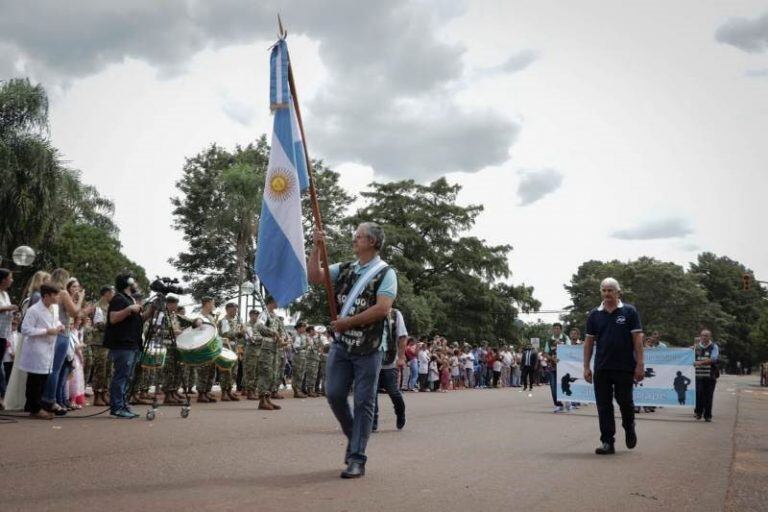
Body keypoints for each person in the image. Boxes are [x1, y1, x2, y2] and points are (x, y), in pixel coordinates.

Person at [308, 222, 397, 479]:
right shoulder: (345, 268)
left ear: (372, 242)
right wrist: (316, 248)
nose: (354, 239)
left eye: (359, 236)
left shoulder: (385, 273)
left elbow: (382, 309)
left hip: (369, 347)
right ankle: (354, 435)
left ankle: (357, 457)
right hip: (342, 344)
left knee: (363, 402)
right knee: (334, 394)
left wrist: (347, 322)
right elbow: (314, 277)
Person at [583, 277, 644, 455]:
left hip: (624, 366)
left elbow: (637, 339)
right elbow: (588, 342)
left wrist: (640, 364)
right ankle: (607, 441)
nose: (607, 293)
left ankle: (629, 426)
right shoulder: (594, 314)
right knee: (604, 405)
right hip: (602, 366)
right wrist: (586, 366)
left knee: (625, 401)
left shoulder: (629, 312)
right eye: (604, 290)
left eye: (610, 290)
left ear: (618, 292)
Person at [104, 272, 154, 419]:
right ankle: (117, 407)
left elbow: (139, 320)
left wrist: (151, 311)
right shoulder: (119, 298)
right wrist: (128, 309)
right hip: (122, 344)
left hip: (132, 343)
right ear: (128, 282)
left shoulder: (130, 298)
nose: (136, 283)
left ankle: (123, 404)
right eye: (134, 280)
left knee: (127, 376)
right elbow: (113, 318)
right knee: (121, 376)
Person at [42, 269, 84, 415]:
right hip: (62, 333)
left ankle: (50, 398)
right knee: (56, 369)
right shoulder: (63, 293)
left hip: (53, 332)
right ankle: (50, 399)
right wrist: (80, 299)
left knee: (50, 368)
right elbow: (75, 312)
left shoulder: (51, 291)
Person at [19, 283, 64, 419]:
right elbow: (25, 329)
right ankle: (34, 408)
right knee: (35, 380)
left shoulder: (54, 308)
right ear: (46, 296)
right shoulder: (34, 310)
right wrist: (46, 331)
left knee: (44, 379)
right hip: (36, 349)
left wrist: (59, 326)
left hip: (48, 349)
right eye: (55, 295)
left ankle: (38, 406)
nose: (58, 297)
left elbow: (55, 322)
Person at [372, 308, 407, 431]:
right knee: (372, 392)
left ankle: (400, 413)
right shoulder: (369, 311)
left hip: (390, 359)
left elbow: (402, 337)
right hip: (371, 359)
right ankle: (373, 421)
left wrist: (401, 357)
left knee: (393, 391)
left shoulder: (395, 314)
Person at [0, 268, 19, 410]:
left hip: (3, 333)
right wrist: (8, 308)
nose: (11, 280)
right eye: (10, 277)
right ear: (3, 279)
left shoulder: (5, 294)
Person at [193, 297, 218, 403]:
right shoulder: (200, 316)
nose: (213, 305)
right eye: (212, 303)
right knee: (203, 370)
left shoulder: (210, 317)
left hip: (212, 347)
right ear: (207, 304)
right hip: (203, 347)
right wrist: (198, 322)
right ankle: (201, 393)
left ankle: (207, 391)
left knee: (211, 371)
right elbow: (196, 323)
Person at [218, 302, 243, 401]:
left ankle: (229, 390)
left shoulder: (235, 321)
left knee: (233, 371)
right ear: (227, 310)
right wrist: (238, 333)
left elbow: (237, 335)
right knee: (225, 370)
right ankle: (224, 392)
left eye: (236, 310)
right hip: (226, 347)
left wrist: (241, 333)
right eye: (233, 310)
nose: (235, 312)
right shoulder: (224, 321)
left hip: (234, 347)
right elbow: (226, 333)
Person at [694, 329, 719, 422]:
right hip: (698, 376)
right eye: (702, 335)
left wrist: (700, 363)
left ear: (710, 337)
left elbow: (713, 359)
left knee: (708, 395)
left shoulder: (714, 347)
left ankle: (708, 415)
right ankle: (698, 413)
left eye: (706, 335)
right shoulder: (696, 347)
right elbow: (689, 356)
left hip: (710, 376)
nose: (704, 337)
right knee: (698, 394)